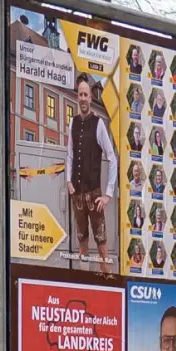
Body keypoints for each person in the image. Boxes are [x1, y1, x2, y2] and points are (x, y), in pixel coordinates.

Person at [65, 75, 116, 266]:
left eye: (86, 94)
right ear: (77, 97)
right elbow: (70, 154)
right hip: (77, 194)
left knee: (102, 243)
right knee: (82, 241)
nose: (83, 98)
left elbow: (112, 158)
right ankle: (83, 283)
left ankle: (107, 283)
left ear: (91, 98)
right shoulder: (73, 122)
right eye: (80, 94)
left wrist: (108, 194)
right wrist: (69, 181)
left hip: (95, 196)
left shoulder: (99, 124)